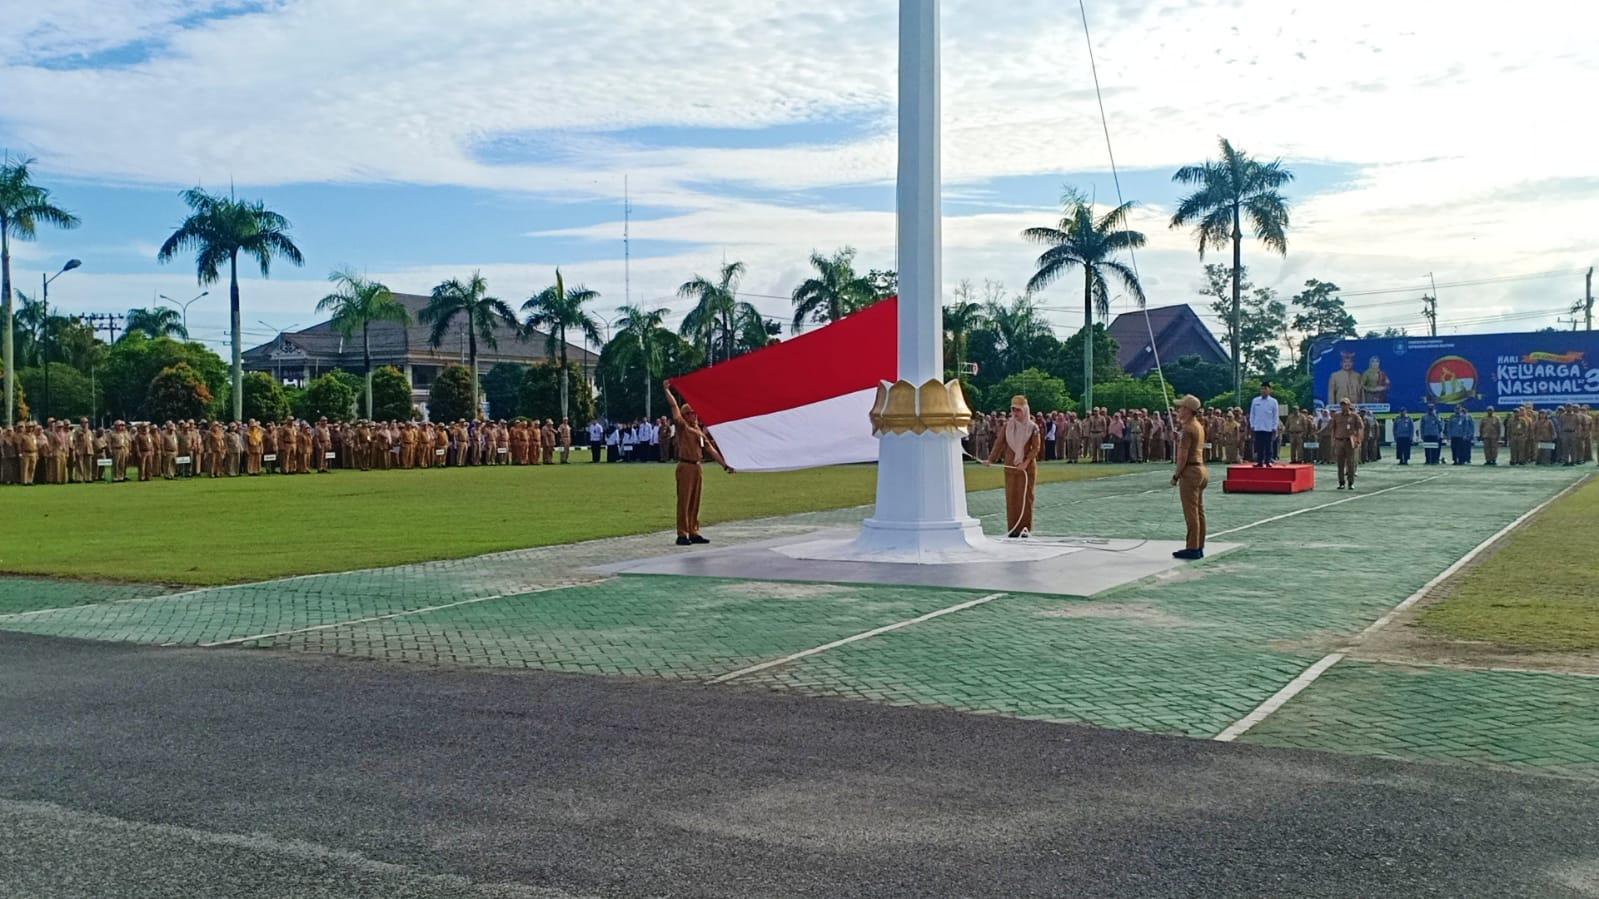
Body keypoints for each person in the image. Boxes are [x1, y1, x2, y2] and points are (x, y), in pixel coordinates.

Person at [664, 384, 733, 545]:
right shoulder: (683, 427)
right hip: (685, 466)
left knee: (695, 500)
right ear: (684, 415)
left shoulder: (699, 431)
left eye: (694, 413)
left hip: (697, 466)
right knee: (684, 500)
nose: (693, 416)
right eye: (689, 413)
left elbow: (711, 450)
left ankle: (693, 530)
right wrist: (667, 390)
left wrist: (725, 465)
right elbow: (674, 406)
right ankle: (682, 533)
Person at [985, 394, 1043, 538]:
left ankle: (1025, 529)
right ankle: (1013, 528)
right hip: (1010, 468)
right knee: (1011, 498)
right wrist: (991, 459)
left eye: (1018, 410)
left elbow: (1036, 448)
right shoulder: (1007, 426)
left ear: (1025, 410)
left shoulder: (1032, 427)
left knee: (1026, 498)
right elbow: (999, 444)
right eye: (1013, 410)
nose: (1015, 413)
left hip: (1026, 469)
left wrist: (1025, 462)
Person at [1170, 395, 1208, 561]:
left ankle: (1192, 547)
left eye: (1181, 408)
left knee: (1191, 512)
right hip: (1201, 469)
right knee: (1199, 511)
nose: (1179, 410)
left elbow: (1182, 457)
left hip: (1190, 471)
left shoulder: (1187, 429)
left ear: (1188, 410)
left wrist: (1176, 475)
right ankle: (1198, 545)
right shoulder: (1197, 426)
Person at [1330, 397, 1365, 490]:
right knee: (1340, 464)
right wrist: (1333, 441)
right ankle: (1341, 483)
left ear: (1349, 405)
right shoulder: (1337, 416)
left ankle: (1350, 483)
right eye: (1341, 404)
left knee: (1350, 463)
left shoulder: (1354, 416)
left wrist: (1358, 439)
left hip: (1350, 441)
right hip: (1339, 441)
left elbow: (1360, 428)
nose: (1343, 406)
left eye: (1345, 404)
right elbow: (1333, 428)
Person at [1248, 381, 1280, 467]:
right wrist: (1252, 425)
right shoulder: (1255, 400)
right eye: (1262, 389)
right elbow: (1252, 414)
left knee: (1268, 446)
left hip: (1269, 427)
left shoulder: (1273, 401)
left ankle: (1268, 461)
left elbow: (1275, 415)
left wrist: (1274, 427)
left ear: (1269, 390)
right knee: (1259, 446)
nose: (1263, 390)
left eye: (1265, 389)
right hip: (1258, 427)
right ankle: (1259, 462)